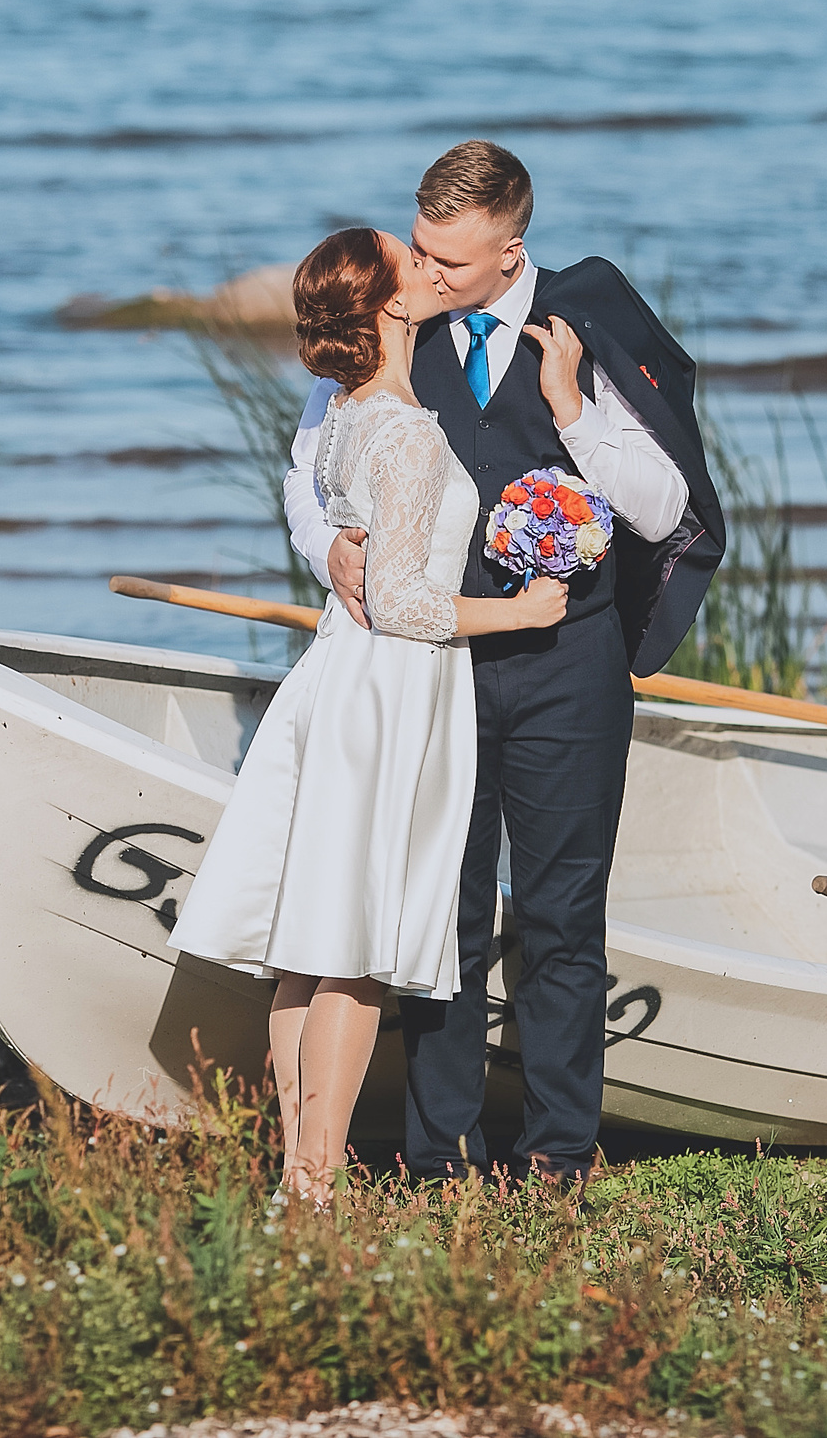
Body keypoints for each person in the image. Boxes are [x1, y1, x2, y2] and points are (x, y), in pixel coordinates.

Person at [282, 141, 726, 1185]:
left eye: (449, 264)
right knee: (443, 908)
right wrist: (332, 545)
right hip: (433, 667)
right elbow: (310, 469)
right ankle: (437, 1153)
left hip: (571, 663)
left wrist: (571, 411)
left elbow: (665, 509)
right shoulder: (394, 332)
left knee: (564, 914)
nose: (423, 278)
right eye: (420, 251)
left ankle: (559, 1157)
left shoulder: (587, 324)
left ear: (510, 252)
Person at [170, 225, 569, 1207]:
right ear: (391, 305)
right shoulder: (405, 430)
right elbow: (404, 602)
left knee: (310, 953)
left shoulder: (348, 417)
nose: (433, 269)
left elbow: (365, 561)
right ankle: (314, 1185)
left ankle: (298, 1176)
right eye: (413, 259)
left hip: (343, 678)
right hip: (391, 689)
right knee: (352, 954)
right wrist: (519, 610)